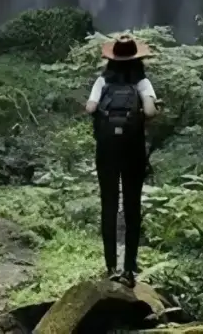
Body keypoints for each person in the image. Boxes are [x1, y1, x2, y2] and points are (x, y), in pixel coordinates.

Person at [85, 35, 157, 286]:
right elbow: (149, 112)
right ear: (137, 59)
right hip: (133, 150)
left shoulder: (102, 80)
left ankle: (109, 266)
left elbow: (91, 108)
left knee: (109, 205)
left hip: (106, 151)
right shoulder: (142, 82)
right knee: (132, 207)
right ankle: (129, 269)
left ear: (111, 58)